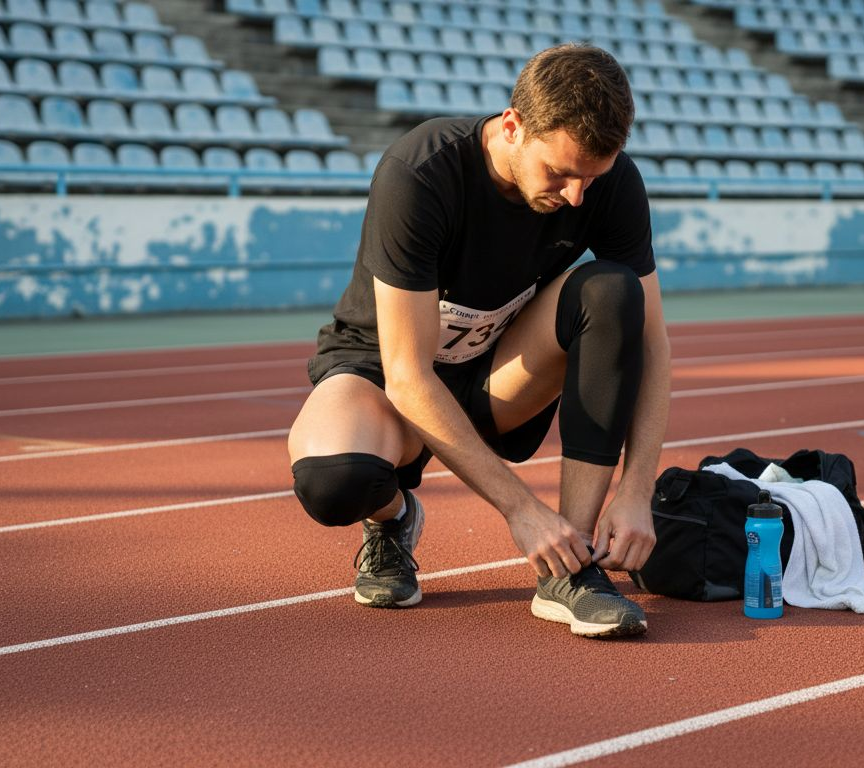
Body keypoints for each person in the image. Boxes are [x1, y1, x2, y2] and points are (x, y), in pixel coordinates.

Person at [287, 43, 671, 638]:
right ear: (513, 127)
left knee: (616, 293)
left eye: (591, 177)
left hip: (498, 376)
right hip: (386, 376)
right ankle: (392, 522)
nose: (576, 197)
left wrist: (637, 487)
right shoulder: (421, 173)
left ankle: (569, 571)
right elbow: (409, 374)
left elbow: (651, 343)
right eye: (561, 173)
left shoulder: (609, 184)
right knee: (332, 483)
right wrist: (522, 509)